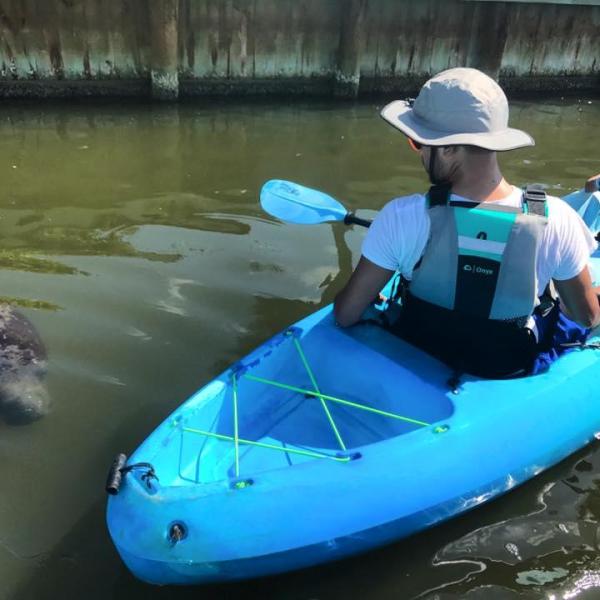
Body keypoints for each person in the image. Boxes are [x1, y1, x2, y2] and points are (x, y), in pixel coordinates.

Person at [334, 68, 600, 378]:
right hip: (506, 367)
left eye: (418, 143)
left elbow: (345, 314)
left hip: (420, 354)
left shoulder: (398, 217)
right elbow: (586, 317)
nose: (417, 153)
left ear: (447, 148)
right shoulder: (557, 219)